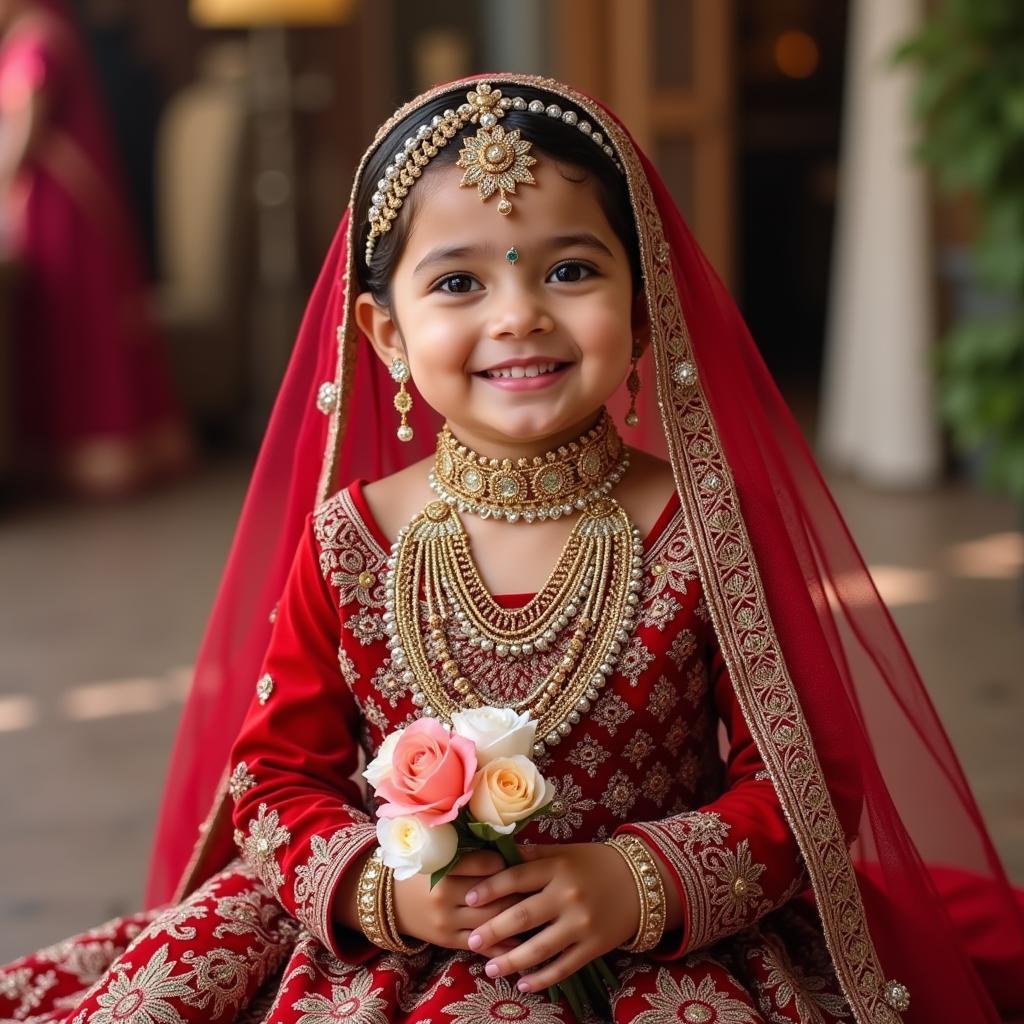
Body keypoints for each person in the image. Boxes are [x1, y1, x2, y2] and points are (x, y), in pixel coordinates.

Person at [1, 73, 1022, 1023]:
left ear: (643, 301)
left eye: (571, 269)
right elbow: (271, 779)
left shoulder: (704, 528)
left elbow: (800, 782)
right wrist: (381, 886)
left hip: (658, 944)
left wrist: (633, 882)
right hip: (381, 941)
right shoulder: (352, 538)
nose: (520, 315)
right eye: (457, 283)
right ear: (385, 332)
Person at [0, 0, 189, 496]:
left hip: (57, 208)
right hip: (58, 199)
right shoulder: (51, 33)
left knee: (69, 321)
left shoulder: (35, 40)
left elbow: (22, 135)